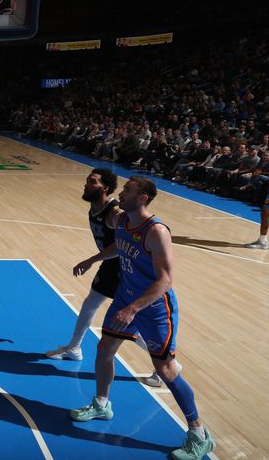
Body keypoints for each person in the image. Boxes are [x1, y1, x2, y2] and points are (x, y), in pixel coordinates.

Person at [70, 176, 215, 460]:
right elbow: (119, 246)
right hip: (126, 296)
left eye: (128, 190)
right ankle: (102, 404)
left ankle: (199, 434)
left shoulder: (156, 231)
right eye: (122, 189)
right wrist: (93, 259)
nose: (122, 193)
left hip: (153, 306)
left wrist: (133, 308)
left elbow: (165, 280)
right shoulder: (122, 221)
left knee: (166, 370)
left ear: (144, 198)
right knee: (104, 350)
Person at [46, 169, 166, 387]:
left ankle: (166, 362)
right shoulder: (95, 208)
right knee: (90, 305)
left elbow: (121, 243)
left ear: (105, 189)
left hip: (124, 269)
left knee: (128, 325)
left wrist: (91, 259)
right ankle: (74, 347)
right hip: (111, 266)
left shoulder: (114, 213)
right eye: (87, 180)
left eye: (92, 182)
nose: (86, 184)